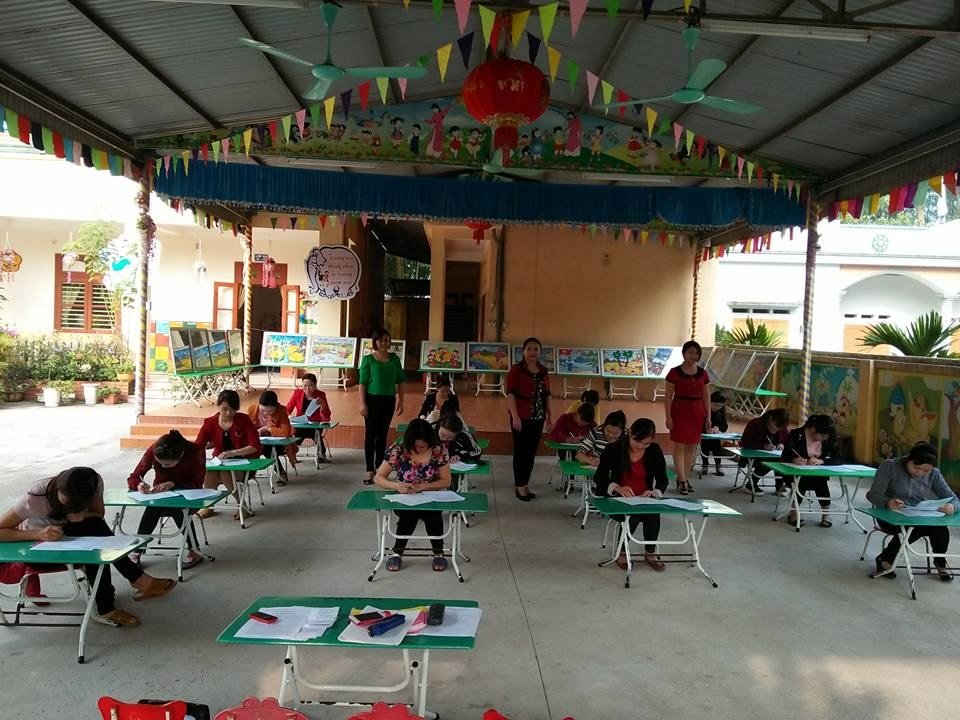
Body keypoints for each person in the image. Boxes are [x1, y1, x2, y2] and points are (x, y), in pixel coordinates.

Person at [0, 467, 176, 627]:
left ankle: (114, 600)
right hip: (38, 550)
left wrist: (85, 515)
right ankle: (123, 592)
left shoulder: (95, 483)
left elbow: (98, 515)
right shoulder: (35, 497)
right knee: (95, 543)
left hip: (66, 537)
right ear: (58, 489)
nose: (72, 506)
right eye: (68, 502)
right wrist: (37, 534)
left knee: (95, 531)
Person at [867, 442, 957, 582]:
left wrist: (953, 507)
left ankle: (940, 562)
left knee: (939, 527)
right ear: (908, 459)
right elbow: (872, 495)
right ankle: (887, 558)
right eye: (916, 467)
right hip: (889, 515)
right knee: (914, 527)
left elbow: (954, 499)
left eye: (926, 471)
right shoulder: (890, 466)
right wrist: (888, 502)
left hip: (917, 514)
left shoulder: (934, 474)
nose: (920, 473)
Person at [373, 419, 453, 573]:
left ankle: (438, 552)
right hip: (404, 497)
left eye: (424, 446)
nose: (420, 449)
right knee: (408, 515)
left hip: (431, 496)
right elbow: (379, 477)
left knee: (433, 515)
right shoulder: (398, 450)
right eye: (417, 446)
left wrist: (423, 486)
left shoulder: (438, 450)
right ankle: (397, 552)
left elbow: (446, 481)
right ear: (409, 441)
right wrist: (396, 486)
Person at [593, 419, 669, 572]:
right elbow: (599, 477)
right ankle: (621, 552)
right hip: (618, 499)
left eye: (646, 443)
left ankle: (651, 553)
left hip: (645, 499)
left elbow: (663, 479)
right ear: (630, 434)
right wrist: (617, 487)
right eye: (637, 441)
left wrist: (656, 492)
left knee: (653, 514)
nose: (641, 446)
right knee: (633, 514)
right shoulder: (614, 449)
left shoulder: (654, 450)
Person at [126, 429, 206, 569]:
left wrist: (173, 483)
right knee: (153, 507)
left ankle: (194, 550)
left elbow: (197, 483)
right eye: (159, 463)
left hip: (189, 495)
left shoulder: (196, 451)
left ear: (180, 455)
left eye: (167, 465)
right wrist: (139, 485)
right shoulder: (154, 449)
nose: (163, 467)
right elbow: (134, 476)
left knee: (176, 508)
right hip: (160, 496)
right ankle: (138, 550)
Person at [196, 390, 261, 520]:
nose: (228, 413)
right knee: (210, 472)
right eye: (224, 409)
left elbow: (255, 446)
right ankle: (208, 505)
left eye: (232, 410)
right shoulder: (210, 422)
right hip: (220, 461)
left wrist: (233, 453)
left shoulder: (244, 420)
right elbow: (198, 445)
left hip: (244, 462)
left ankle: (242, 506)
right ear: (218, 406)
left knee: (226, 472)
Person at [507, 337, 552, 501]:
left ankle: (525, 483)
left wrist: (550, 416)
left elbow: (547, 395)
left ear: (540, 352)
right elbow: (511, 394)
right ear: (523, 351)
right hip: (521, 416)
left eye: (536, 349)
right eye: (529, 349)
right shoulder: (516, 370)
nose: (532, 352)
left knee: (531, 452)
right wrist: (515, 416)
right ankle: (519, 485)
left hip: (538, 417)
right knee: (521, 451)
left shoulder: (543, 371)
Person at [664, 340, 712, 495]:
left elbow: (706, 396)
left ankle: (684, 478)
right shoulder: (674, 372)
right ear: (684, 353)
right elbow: (668, 396)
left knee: (691, 447)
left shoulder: (703, 373)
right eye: (690, 352)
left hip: (697, 412)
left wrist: (708, 416)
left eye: (696, 353)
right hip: (679, 410)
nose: (693, 356)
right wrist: (668, 416)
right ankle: (682, 479)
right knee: (679, 446)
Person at [359, 328, 405, 485]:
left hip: (389, 400)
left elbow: (400, 381)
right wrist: (362, 403)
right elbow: (362, 384)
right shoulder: (368, 360)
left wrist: (402, 401)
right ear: (375, 342)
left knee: (382, 434)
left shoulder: (395, 359)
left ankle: (380, 468)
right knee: (370, 435)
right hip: (371, 401)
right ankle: (369, 469)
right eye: (380, 340)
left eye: (386, 340)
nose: (384, 343)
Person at [780, 414, 841, 527]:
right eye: (822, 436)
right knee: (801, 481)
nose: (824, 439)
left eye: (826, 437)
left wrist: (821, 461)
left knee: (821, 481)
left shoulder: (830, 438)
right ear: (813, 429)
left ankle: (826, 514)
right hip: (795, 473)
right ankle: (794, 513)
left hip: (817, 473)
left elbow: (839, 458)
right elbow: (784, 456)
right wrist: (795, 459)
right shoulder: (796, 435)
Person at [739, 408, 791, 495]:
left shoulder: (782, 428)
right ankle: (751, 483)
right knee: (772, 460)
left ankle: (779, 485)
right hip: (753, 455)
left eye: (780, 428)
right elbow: (745, 442)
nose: (776, 429)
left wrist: (782, 444)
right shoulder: (755, 424)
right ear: (770, 418)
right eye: (775, 425)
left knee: (782, 459)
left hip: (774, 455)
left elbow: (788, 441)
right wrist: (762, 446)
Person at [249, 390, 296, 484]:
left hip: (279, 444)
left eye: (270, 411)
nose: (266, 413)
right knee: (250, 448)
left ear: (276, 407)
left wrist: (268, 428)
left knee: (267, 449)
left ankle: (281, 472)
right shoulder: (252, 410)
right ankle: (247, 474)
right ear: (259, 405)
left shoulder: (281, 411)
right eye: (263, 410)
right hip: (258, 442)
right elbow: (247, 428)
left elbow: (285, 432)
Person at [285, 373, 331, 463]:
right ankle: (292, 454)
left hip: (315, 425)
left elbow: (327, 415)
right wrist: (289, 416)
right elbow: (287, 409)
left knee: (317, 435)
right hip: (300, 425)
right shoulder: (297, 393)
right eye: (305, 386)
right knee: (296, 437)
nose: (307, 389)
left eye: (310, 386)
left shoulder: (320, 395)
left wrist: (322, 404)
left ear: (315, 386)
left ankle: (321, 455)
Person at [699, 391, 729, 476]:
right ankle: (705, 464)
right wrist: (706, 429)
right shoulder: (704, 408)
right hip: (704, 434)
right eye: (715, 405)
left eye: (720, 406)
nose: (717, 408)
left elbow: (725, 425)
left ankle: (718, 465)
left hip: (715, 436)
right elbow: (698, 423)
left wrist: (717, 428)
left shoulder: (721, 411)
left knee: (717, 446)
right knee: (705, 444)